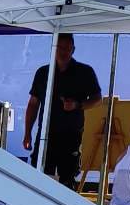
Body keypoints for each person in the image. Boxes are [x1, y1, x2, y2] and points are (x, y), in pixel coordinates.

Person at [22, 34, 102, 188]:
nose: (64, 52)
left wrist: (78, 105)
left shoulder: (84, 72)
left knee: (67, 177)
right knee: (40, 174)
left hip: (71, 134)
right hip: (45, 133)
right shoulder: (43, 72)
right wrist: (27, 133)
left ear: (73, 49)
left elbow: (98, 99)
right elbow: (33, 104)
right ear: (54, 49)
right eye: (60, 48)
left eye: (67, 48)